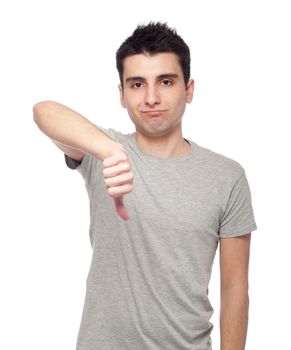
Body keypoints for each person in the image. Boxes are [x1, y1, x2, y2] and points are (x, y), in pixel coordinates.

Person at [33, 22, 257, 350]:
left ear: (189, 89)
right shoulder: (101, 152)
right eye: (137, 84)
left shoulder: (227, 176)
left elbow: (235, 287)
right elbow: (43, 112)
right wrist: (109, 150)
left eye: (165, 82)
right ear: (121, 95)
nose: (151, 98)